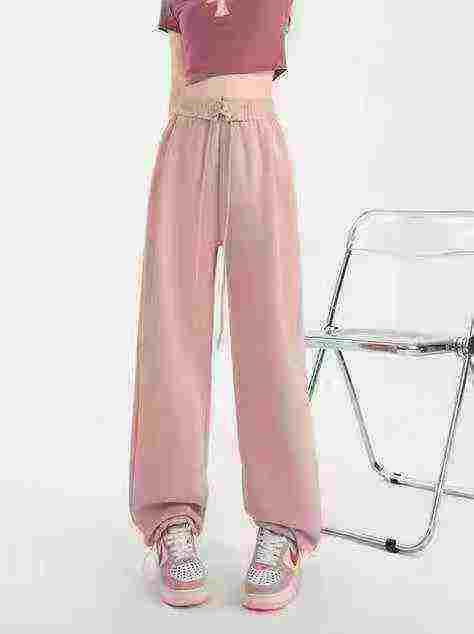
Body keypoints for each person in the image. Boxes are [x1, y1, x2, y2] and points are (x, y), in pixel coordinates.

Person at [129, 0, 323, 610]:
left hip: (255, 138)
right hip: (186, 140)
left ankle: (282, 527)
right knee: (171, 332)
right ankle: (171, 520)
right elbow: (176, 80)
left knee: (270, 337)